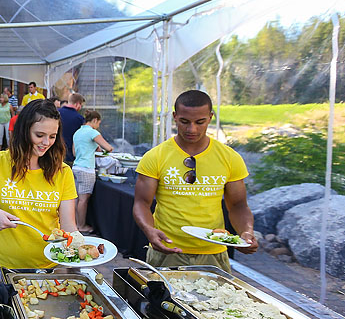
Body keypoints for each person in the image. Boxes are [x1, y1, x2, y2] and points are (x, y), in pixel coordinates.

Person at [133, 90, 258, 271]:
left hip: (213, 252)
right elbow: (141, 203)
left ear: (210, 117)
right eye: (184, 121)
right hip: (167, 250)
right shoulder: (156, 156)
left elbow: (238, 205)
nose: (192, 129)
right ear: (175, 117)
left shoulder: (229, 157)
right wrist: (149, 231)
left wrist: (246, 232)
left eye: (200, 122)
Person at [0, 99, 78, 269]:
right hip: (6, 268)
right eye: (39, 135)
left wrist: (79, 250)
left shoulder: (63, 171)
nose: (46, 143)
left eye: (52, 136)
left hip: (51, 267)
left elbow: (68, 225)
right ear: (24, 131)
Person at [72, 110, 114, 233]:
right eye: (98, 123)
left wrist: (92, 148)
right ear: (95, 120)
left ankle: (74, 224)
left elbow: (75, 153)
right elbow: (108, 148)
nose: (98, 126)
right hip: (86, 169)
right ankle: (81, 226)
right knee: (83, 200)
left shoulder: (78, 132)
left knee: (75, 198)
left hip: (76, 167)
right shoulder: (92, 132)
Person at [58, 92, 86, 164]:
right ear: (77, 104)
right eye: (81, 105)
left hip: (55, 152)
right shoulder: (79, 119)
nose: (80, 108)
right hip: (70, 155)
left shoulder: (56, 113)